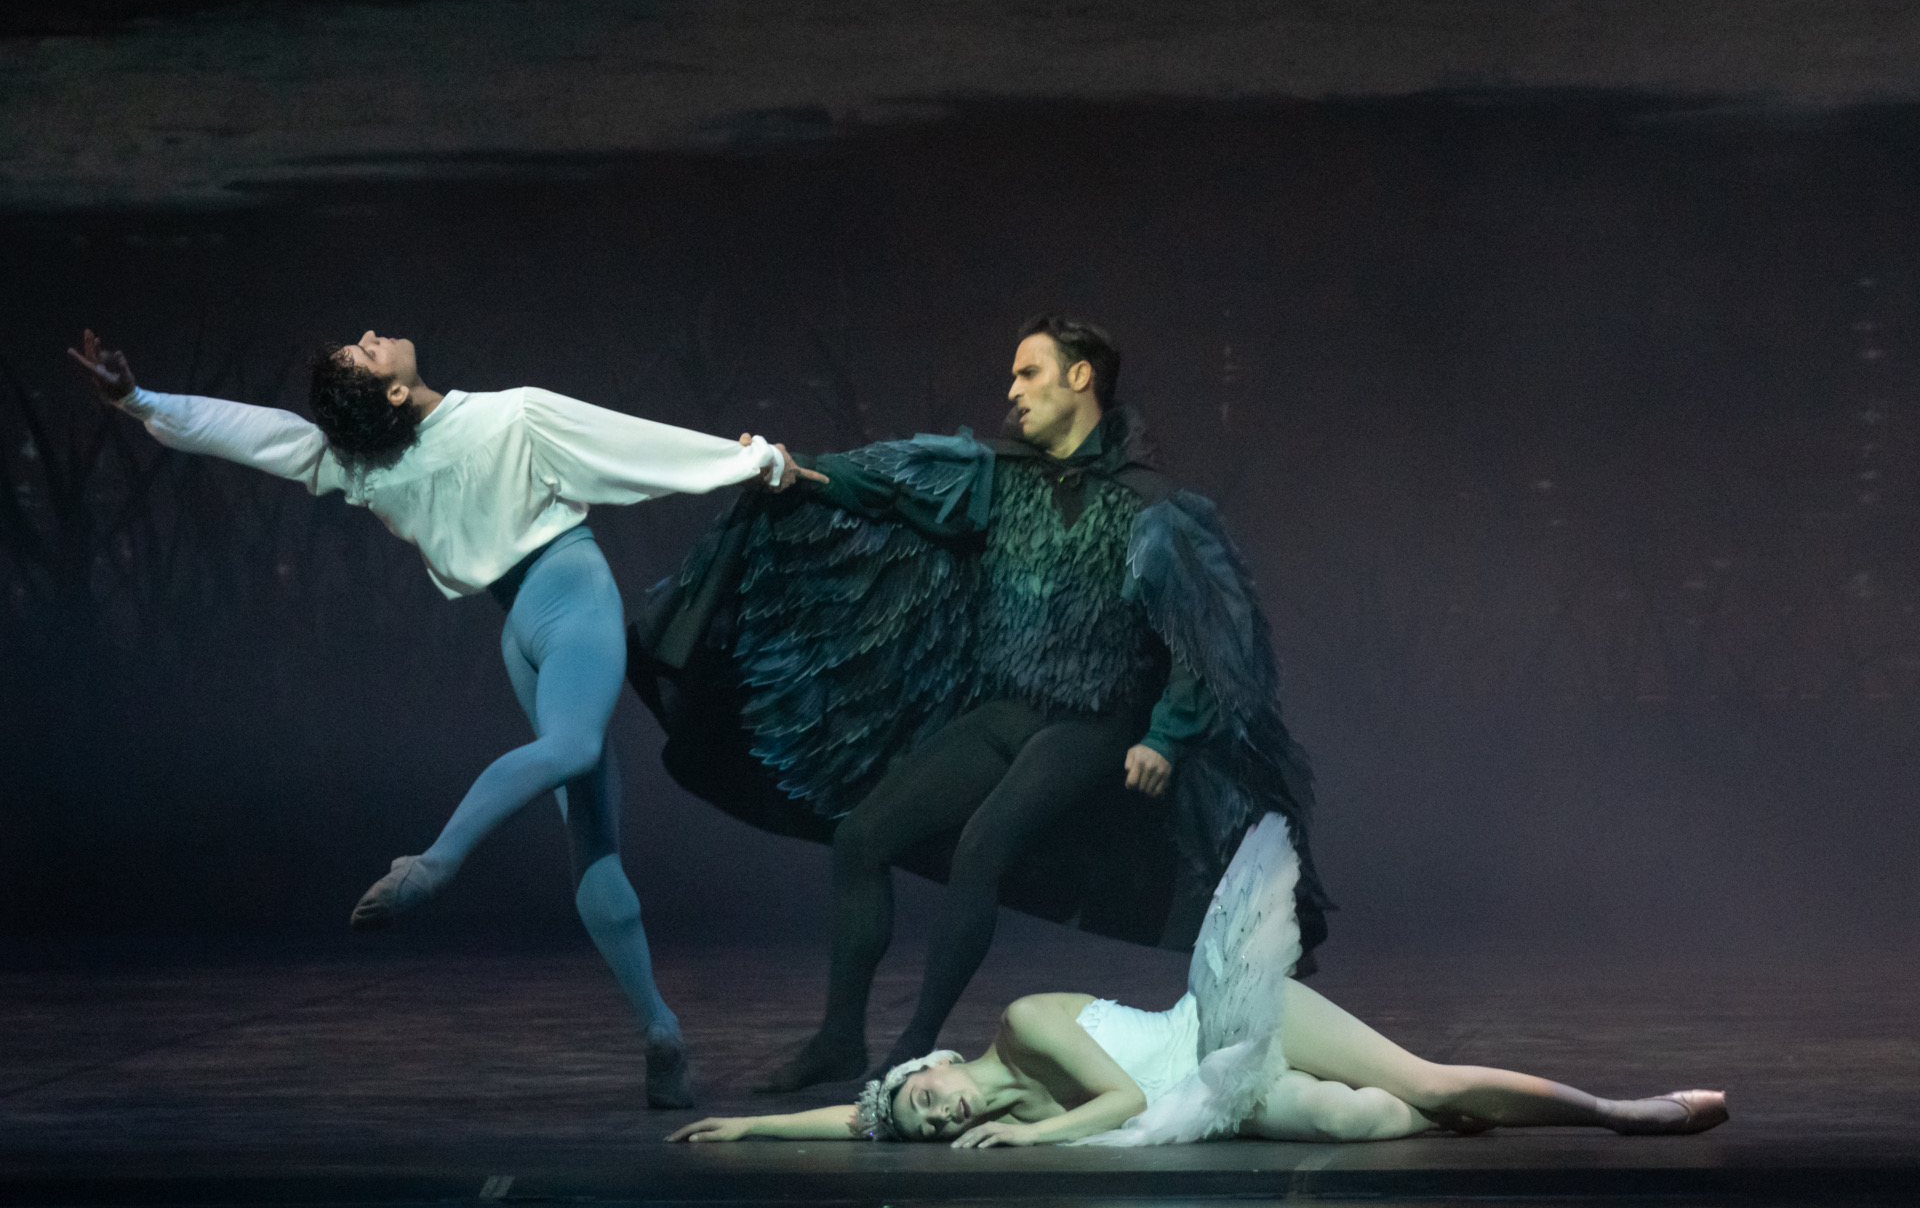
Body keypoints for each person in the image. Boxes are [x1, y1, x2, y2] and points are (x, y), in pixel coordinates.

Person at [65, 327, 799, 1108]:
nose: (369, 336)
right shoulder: (514, 416)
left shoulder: (366, 467)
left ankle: (660, 1029)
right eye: (366, 354)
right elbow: (636, 451)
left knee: (592, 834)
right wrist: (753, 461)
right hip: (572, 599)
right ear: (392, 392)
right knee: (575, 748)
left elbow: (259, 435)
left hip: (520, 634)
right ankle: (436, 862)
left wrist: (139, 400)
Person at [630, 316, 1332, 1093]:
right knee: (861, 837)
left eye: (1030, 373)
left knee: (980, 849)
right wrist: (797, 473)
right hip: (1009, 710)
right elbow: (891, 488)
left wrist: (1165, 737)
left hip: (1095, 722)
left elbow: (1206, 638)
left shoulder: (1154, 509)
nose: (1013, 390)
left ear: (1081, 377)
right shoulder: (998, 478)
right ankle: (839, 1040)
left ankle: (915, 1045)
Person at [667, 815, 1729, 1147]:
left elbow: (1124, 1097)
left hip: (1225, 1022)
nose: (937, 1113)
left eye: (925, 1095)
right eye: (926, 1123)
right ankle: (1475, 1116)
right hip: (1221, 1100)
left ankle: (1620, 1111)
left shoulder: (1024, 1026)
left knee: (1429, 1082)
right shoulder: (983, 1118)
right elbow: (859, 1121)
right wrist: (748, 1128)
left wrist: (1033, 1138)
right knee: (1375, 1121)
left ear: (938, 1063)